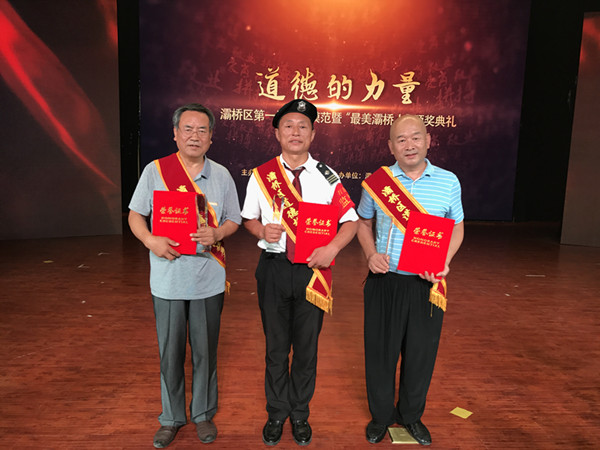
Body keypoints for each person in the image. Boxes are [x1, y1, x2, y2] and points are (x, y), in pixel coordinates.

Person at [241, 99, 358, 446]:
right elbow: (248, 218)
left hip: (313, 272)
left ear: (313, 134)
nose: (296, 132)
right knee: (276, 348)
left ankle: (300, 413)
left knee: (306, 349)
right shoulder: (262, 175)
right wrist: (261, 231)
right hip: (274, 269)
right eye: (288, 126)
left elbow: (350, 221)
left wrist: (332, 249)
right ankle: (277, 412)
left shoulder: (327, 176)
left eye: (303, 126)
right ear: (277, 133)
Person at [128, 103, 241, 448]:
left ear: (211, 137)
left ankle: (203, 414)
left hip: (208, 280)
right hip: (168, 280)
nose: (195, 136)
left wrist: (218, 233)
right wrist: (150, 240)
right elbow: (135, 215)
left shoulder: (221, 175)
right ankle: (171, 417)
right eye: (188, 129)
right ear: (175, 134)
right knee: (170, 353)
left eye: (202, 130)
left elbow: (233, 219)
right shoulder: (155, 171)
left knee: (206, 352)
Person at [356, 114, 464, 446]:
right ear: (391, 146)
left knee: (420, 354)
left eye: (415, 137)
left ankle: (411, 416)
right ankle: (380, 417)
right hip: (385, 280)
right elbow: (363, 222)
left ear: (428, 140)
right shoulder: (379, 182)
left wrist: (444, 262)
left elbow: (457, 227)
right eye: (401, 140)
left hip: (426, 284)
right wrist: (370, 254)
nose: (409, 145)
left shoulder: (448, 181)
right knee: (380, 354)